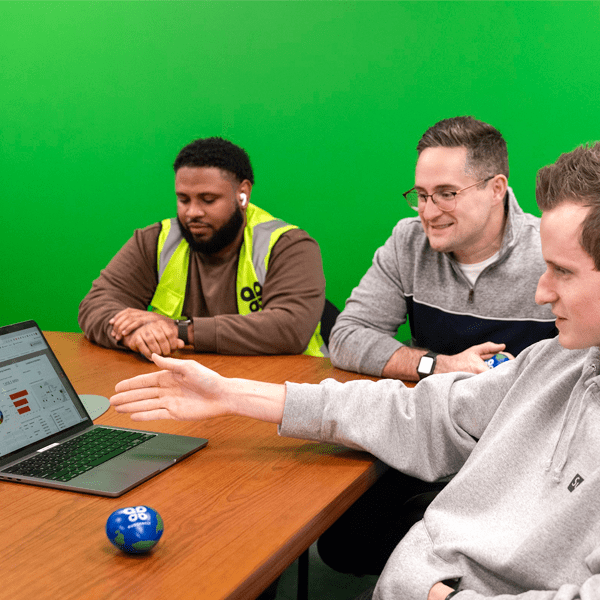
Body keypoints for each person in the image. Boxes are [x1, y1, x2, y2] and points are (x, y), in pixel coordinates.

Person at [110, 142, 600, 600]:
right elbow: (421, 412)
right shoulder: (558, 358)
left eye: (563, 271)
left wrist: (436, 593)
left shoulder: (281, 243)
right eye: (422, 195)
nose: (541, 292)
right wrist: (231, 394)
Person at [329, 116, 556, 382]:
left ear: (496, 190)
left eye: (447, 194)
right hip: (429, 414)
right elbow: (347, 337)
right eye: (422, 195)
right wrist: (439, 365)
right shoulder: (409, 242)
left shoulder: (551, 250)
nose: (429, 212)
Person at [78, 137, 327, 359]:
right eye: (183, 199)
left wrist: (179, 330)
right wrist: (135, 334)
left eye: (208, 200)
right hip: (186, 387)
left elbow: (291, 328)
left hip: (282, 388)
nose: (192, 212)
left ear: (243, 194)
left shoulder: (288, 245)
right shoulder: (155, 240)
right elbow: (96, 303)